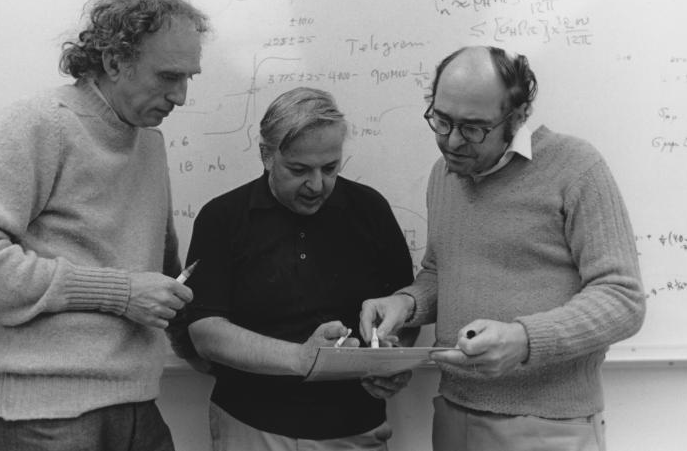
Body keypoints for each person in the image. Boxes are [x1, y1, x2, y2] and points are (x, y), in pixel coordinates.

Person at [0, 0, 209, 451]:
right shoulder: (35, 124)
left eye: (189, 77)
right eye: (168, 76)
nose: (181, 96)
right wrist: (121, 292)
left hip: (139, 411)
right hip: (43, 421)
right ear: (114, 62)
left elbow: (159, 275)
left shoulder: (149, 143)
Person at [359, 46, 646, 451]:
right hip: (455, 413)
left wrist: (524, 340)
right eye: (442, 121)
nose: (453, 141)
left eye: (474, 128)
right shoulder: (443, 176)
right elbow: (443, 272)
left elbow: (623, 299)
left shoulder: (576, 167)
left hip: (548, 426)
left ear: (518, 116)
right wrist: (405, 305)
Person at [176, 87, 418, 450]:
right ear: (266, 155)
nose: (317, 185)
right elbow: (205, 334)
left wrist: (390, 362)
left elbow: (407, 311)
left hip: (355, 430)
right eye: (299, 169)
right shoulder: (223, 218)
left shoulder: (370, 210)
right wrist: (304, 359)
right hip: (251, 425)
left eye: (330, 168)